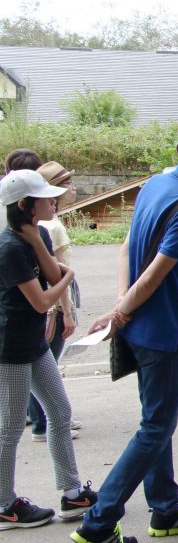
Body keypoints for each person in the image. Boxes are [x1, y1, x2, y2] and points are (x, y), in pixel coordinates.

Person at [72, 122, 178, 543]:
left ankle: (165, 509)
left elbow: (127, 249)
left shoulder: (158, 184)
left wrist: (123, 307)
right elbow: (159, 270)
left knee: (154, 422)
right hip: (164, 330)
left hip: (143, 324)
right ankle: (100, 521)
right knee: (156, 426)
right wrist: (122, 309)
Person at [0, 170, 96, 530]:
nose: (54, 201)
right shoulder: (8, 247)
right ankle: (5, 503)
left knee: (59, 410)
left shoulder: (36, 234)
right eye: (45, 198)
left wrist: (55, 267)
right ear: (25, 205)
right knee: (9, 428)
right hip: (10, 347)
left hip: (34, 342)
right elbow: (43, 300)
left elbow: (52, 276)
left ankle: (72, 493)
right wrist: (69, 278)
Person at [27, 162, 82, 441]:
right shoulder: (50, 228)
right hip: (53, 306)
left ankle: (42, 420)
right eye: (67, 183)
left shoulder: (40, 225)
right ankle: (42, 423)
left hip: (49, 305)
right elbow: (57, 275)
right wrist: (65, 312)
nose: (72, 188)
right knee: (44, 366)